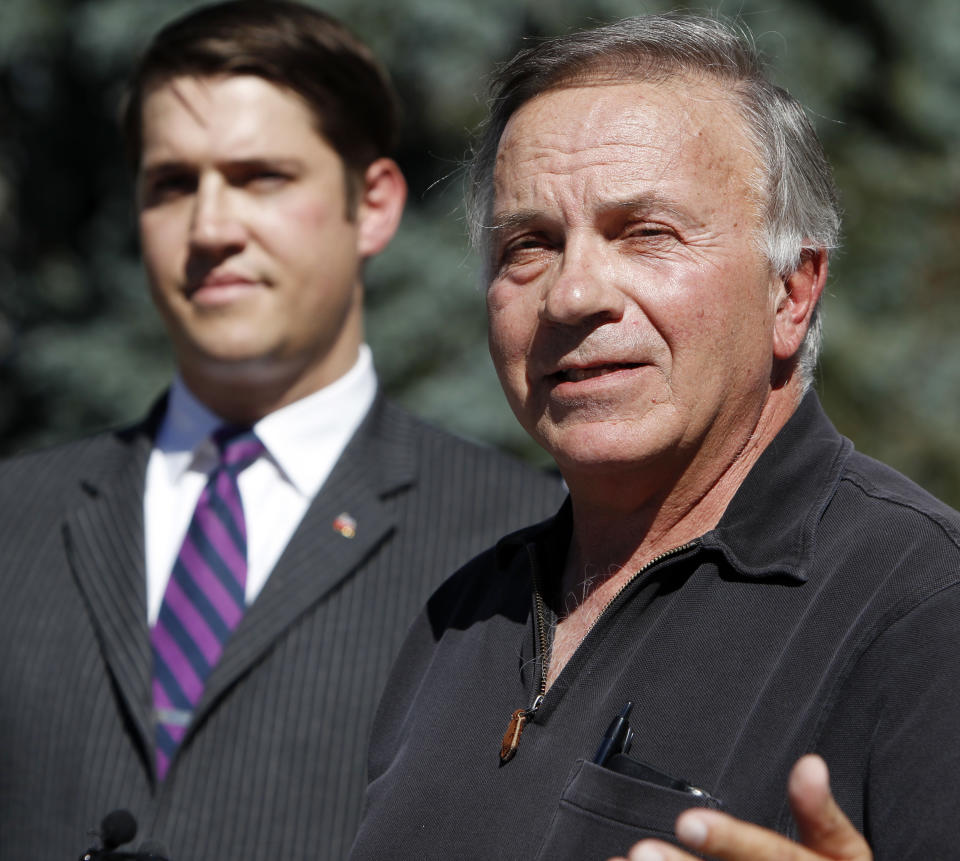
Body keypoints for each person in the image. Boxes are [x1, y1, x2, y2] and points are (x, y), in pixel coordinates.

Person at [349, 13, 960, 861]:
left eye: (646, 233)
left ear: (792, 290)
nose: (572, 295)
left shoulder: (923, 603)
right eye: (529, 244)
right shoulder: (462, 615)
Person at [0, 2, 563, 859]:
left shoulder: (524, 547)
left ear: (372, 205)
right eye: (172, 184)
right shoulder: (14, 517)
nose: (211, 228)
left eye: (261, 176)